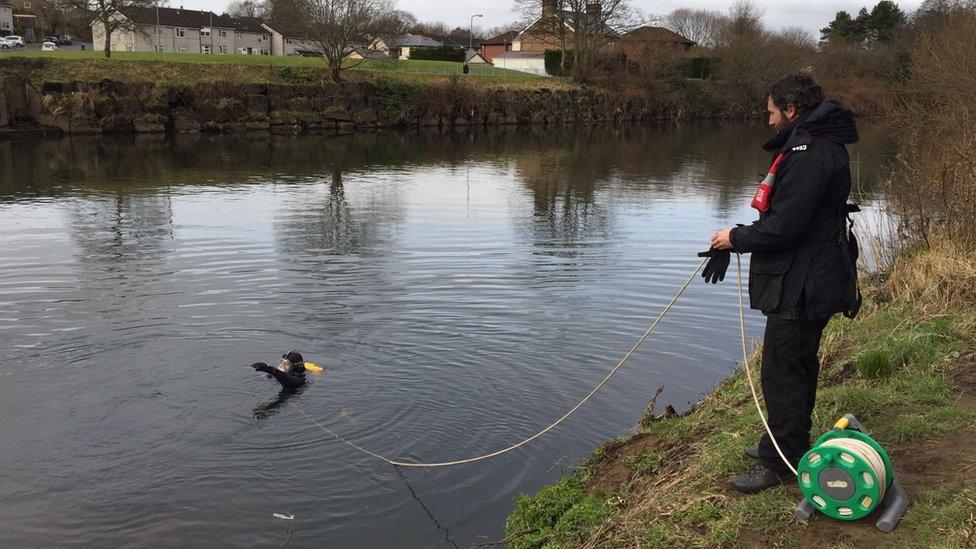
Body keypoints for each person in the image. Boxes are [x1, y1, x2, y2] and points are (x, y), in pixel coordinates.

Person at [702, 73, 860, 493]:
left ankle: (780, 462)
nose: (769, 121)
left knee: (782, 371)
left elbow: (786, 227)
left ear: (791, 110)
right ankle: (786, 442)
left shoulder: (809, 153)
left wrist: (734, 238)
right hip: (812, 275)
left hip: (805, 282)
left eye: (772, 112)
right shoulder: (817, 144)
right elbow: (795, 219)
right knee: (795, 365)